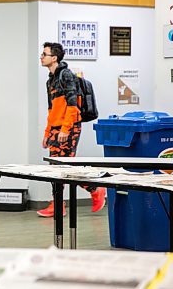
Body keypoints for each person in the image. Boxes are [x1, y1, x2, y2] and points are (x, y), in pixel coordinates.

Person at [37, 42, 106, 217]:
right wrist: (47, 133)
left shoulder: (66, 75)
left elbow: (73, 106)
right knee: (55, 168)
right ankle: (58, 204)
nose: (41, 57)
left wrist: (66, 129)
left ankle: (95, 189)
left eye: (44, 54)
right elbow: (52, 110)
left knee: (64, 166)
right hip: (56, 128)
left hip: (69, 128)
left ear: (54, 58)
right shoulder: (50, 81)